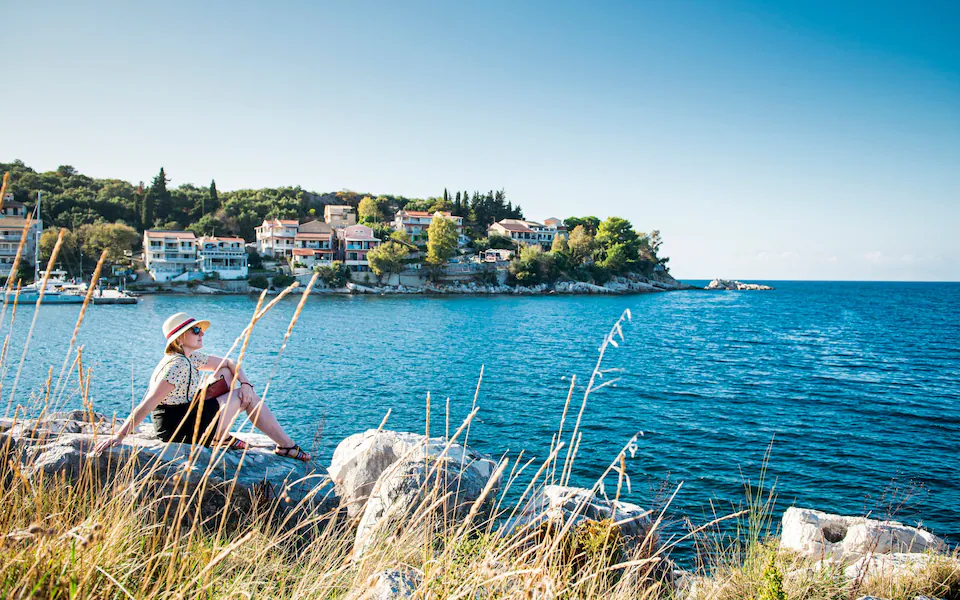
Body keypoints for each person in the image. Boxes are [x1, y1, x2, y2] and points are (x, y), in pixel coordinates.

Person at [94, 312, 311, 461]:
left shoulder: (190, 357)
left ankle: (222, 436)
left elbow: (229, 363)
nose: (202, 333)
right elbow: (148, 403)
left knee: (228, 375)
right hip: (178, 428)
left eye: (200, 329)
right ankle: (286, 446)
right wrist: (119, 436)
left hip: (187, 412)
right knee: (247, 398)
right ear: (180, 338)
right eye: (196, 330)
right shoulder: (177, 365)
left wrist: (245, 383)